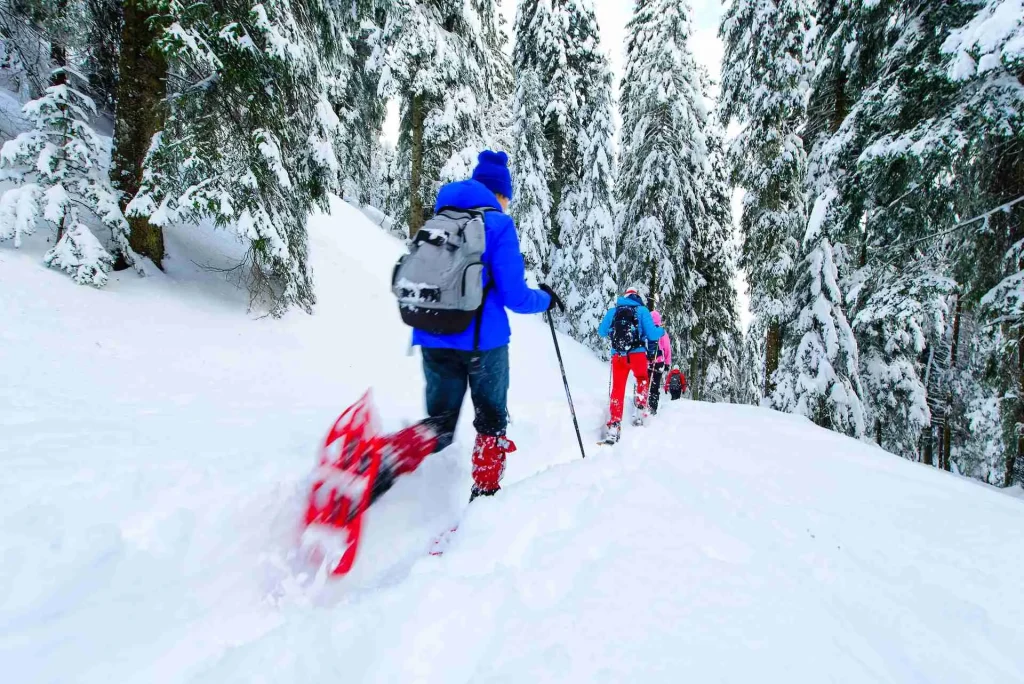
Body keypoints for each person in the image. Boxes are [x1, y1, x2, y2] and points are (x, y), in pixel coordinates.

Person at [376, 150, 563, 501]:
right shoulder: (498, 224)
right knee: (491, 419)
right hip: (483, 345)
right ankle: (485, 495)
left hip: (432, 335)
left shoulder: (440, 217)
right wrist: (546, 299)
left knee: (441, 423)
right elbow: (515, 297)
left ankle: (386, 460)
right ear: (501, 194)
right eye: (507, 197)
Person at [597, 288, 664, 443]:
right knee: (642, 378)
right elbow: (653, 334)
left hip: (618, 355)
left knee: (618, 389)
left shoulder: (614, 311)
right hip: (637, 354)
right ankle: (640, 410)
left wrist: (614, 334)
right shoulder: (642, 310)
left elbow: (601, 331)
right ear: (637, 297)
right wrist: (661, 331)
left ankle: (614, 425)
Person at [647, 310, 671, 415]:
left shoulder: (647, 330)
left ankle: (643, 404)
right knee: (655, 385)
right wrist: (667, 363)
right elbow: (667, 348)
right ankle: (653, 407)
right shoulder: (662, 332)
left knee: (646, 383)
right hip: (659, 362)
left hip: (647, 362)